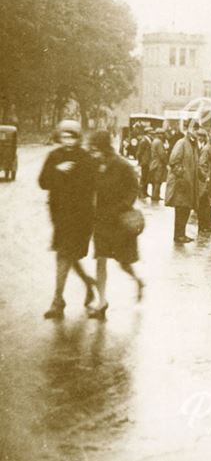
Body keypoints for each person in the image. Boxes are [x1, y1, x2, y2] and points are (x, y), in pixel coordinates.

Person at [38, 120, 99, 319]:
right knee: (66, 255)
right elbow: (43, 182)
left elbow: (91, 186)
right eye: (64, 136)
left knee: (65, 255)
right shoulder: (54, 156)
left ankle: (58, 301)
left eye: (72, 136)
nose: (68, 140)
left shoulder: (86, 158)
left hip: (80, 217)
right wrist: (58, 169)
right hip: (59, 216)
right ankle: (85, 284)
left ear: (78, 138)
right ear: (59, 137)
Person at [88, 130, 143, 319]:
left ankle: (138, 281)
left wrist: (123, 206)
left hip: (119, 222)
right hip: (102, 221)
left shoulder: (122, 165)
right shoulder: (95, 164)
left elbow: (135, 187)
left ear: (103, 146)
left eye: (95, 147)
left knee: (123, 262)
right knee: (101, 259)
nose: (92, 151)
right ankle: (101, 302)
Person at [165, 121, 200, 244]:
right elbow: (174, 161)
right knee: (181, 209)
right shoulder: (182, 143)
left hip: (189, 183)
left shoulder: (193, 144)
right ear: (188, 129)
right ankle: (178, 235)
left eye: (197, 130)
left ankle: (181, 234)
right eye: (194, 129)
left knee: (186, 209)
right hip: (182, 183)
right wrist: (182, 176)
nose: (196, 132)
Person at [195, 129, 211, 235]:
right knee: (204, 203)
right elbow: (201, 164)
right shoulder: (205, 148)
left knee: (206, 203)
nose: (201, 138)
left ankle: (206, 224)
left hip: (202, 178)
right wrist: (206, 177)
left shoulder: (204, 146)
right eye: (199, 136)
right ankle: (203, 226)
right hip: (202, 179)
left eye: (203, 136)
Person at [148, 129, 167, 202]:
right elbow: (162, 154)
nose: (164, 135)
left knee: (154, 181)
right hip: (159, 164)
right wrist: (166, 162)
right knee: (158, 181)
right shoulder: (159, 142)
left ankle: (154, 194)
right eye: (163, 134)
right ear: (159, 134)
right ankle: (156, 196)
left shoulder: (154, 141)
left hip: (153, 163)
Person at [135, 125, 152, 198]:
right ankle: (140, 193)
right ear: (147, 133)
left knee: (146, 177)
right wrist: (140, 161)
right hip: (145, 162)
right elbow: (139, 152)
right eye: (150, 133)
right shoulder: (144, 141)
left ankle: (145, 192)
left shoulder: (148, 140)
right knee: (143, 178)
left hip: (148, 162)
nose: (151, 134)